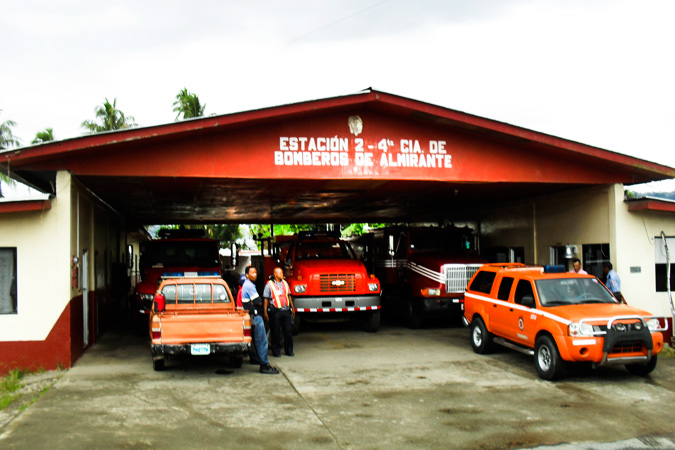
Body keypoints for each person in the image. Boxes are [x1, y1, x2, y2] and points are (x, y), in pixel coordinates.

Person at [240, 266, 278, 374]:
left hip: (252, 315)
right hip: (255, 316)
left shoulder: (248, 285)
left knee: (255, 340)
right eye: (252, 273)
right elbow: (258, 301)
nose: (255, 274)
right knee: (261, 341)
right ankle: (264, 365)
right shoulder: (249, 286)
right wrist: (259, 302)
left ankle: (256, 358)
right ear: (247, 275)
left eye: (256, 272)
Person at [263, 267, 295, 357]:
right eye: (280, 273)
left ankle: (289, 351)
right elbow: (265, 299)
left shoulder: (285, 283)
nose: (282, 274)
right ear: (275, 274)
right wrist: (265, 312)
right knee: (275, 332)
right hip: (276, 312)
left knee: (288, 332)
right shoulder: (269, 285)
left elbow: (289, 296)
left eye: (282, 273)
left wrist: (292, 308)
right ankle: (276, 351)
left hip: (286, 311)